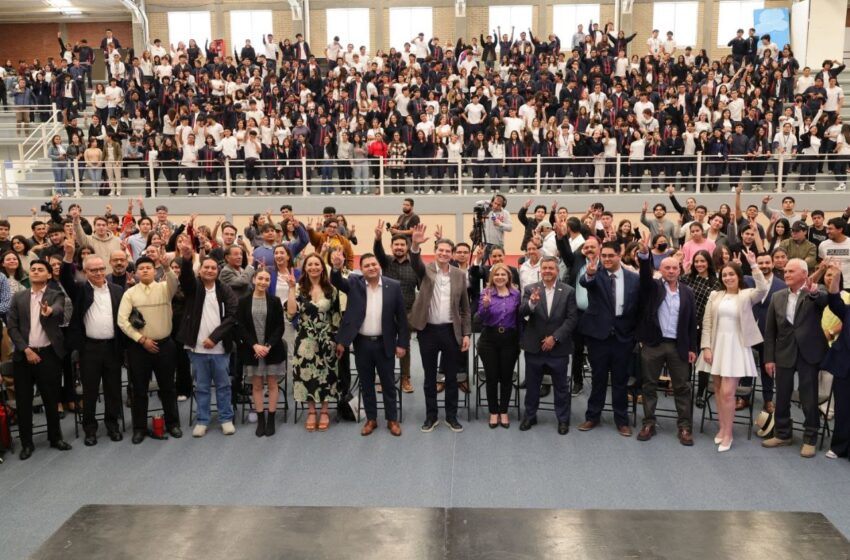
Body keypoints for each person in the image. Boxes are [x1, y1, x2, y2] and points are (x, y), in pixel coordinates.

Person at [330, 250, 409, 436]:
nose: (371, 268)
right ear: (361, 269)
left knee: (388, 384)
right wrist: (336, 268)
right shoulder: (354, 284)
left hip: (385, 343)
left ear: (379, 266)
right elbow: (336, 281)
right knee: (366, 384)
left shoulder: (393, 286)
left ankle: (392, 419)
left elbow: (402, 319)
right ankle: (371, 419)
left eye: (374, 264)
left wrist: (402, 344)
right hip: (362, 344)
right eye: (367, 266)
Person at [58, 233, 125, 446]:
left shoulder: (117, 290)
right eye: (92, 270)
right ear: (85, 272)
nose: (97, 273)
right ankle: (90, 428)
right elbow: (65, 278)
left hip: (113, 347)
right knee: (90, 391)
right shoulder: (80, 290)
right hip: (90, 349)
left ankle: (112, 424)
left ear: (105, 269)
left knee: (114, 389)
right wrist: (68, 255)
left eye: (100, 269)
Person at [698, 250, 766, 452]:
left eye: (731, 274)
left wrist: (754, 265)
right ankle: (722, 428)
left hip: (736, 348)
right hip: (716, 346)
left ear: (738, 277)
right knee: (718, 391)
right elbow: (707, 322)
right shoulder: (715, 295)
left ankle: (728, 434)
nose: (727, 278)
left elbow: (763, 289)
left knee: (728, 393)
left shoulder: (747, 295)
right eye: (724, 275)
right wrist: (706, 347)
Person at [6, 259, 72, 460]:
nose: (35, 271)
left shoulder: (55, 295)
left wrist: (50, 311)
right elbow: (12, 327)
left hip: (48, 355)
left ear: (48, 275)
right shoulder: (18, 297)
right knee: (24, 402)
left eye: (40, 269)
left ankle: (55, 438)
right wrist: (25, 350)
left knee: (51, 399)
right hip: (24, 356)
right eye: (32, 269)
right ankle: (27, 443)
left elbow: (60, 309)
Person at [409, 224, 471, 433]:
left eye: (447, 251)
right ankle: (431, 416)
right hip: (428, 331)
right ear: (435, 252)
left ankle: (451, 416)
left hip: (451, 332)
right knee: (429, 377)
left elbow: (465, 308)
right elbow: (415, 262)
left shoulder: (459, 275)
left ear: (452, 254)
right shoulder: (425, 270)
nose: (444, 254)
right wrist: (415, 244)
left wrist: (466, 334)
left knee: (452, 377)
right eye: (440, 250)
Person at [763, 258, 829, 458]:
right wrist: (769, 358)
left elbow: (825, 302)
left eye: (791, 271)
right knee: (782, 395)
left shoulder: (815, 293)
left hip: (809, 353)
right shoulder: (777, 296)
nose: (786, 274)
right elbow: (770, 331)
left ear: (804, 274)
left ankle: (810, 438)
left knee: (808, 397)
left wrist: (814, 292)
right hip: (783, 352)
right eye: (785, 271)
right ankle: (783, 433)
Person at [116, 255, 183, 444]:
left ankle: (172, 424)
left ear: (155, 271)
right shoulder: (130, 293)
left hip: (165, 346)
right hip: (140, 348)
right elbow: (122, 321)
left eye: (149, 267)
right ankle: (139, 428)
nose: (145, 270)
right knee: (139, 390)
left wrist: (167, 267)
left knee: (168, 388)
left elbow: (174, 282)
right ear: (136, 273)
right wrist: (141, 339)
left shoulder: (165, 288)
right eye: (141, 268)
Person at [636, 249, 698, 446]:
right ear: (660, 270)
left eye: (674, 268)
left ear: (680, 270)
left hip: (678, 346)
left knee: (682, 387)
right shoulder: (653, 287)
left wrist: (692, 348)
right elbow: (644, 277)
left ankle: (685, 427)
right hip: (654, 344)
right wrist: (644, 256)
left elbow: (691, 322)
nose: (671, 271)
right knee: (649, 386)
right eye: (667, 268)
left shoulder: (687, 292)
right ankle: (648, 423)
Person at [578, 241, 640, 436]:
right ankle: (592, 417)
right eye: (603, 255)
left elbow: (637, 307)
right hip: (599, 337)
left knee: (621, 380)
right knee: (598, 379)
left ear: (619, 255)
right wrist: (589, 273)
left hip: (623, 337)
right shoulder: (595, 275)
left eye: (610, 255)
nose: (606, 259)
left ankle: (621, 420)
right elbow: (584, 283)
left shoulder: (633, 278)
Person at [176, 244, 238, 437]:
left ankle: (226, 418)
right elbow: (185, 279)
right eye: (206, 267)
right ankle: (202, 420)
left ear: (218, 271)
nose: (210, 270)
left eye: (213, 268)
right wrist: (186, 261)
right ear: (200, 270)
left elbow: (232, 315)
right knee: (202, 387)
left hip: (219, 347)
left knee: (223, 385)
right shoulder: (193, 288)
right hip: (197, 349)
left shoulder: (225, 290)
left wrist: (214, 337)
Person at [518, 256, 578, 434]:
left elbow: (572, 318)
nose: (547, 271)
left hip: (559, 348)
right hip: (534, 347)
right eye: (544, 268)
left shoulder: (568, 291)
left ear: (557, 270)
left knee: (561, 387)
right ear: (540, 270)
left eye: (551, 268)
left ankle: (563, 419)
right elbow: (521, 312)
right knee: (532, 385)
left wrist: (555, 338)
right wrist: (532, 304)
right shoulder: (530, 289)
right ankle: (530, 416)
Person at [286, 253, 341, 432]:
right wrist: (291, 288)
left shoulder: (331, 290)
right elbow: (291, 313)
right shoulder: (299, 288)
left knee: (326, 375)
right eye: (310, 265)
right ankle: (311, 411)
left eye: (317, 264)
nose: (313, 267)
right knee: (306, 374)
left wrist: (337, 342)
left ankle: (324, 411)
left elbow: (336, 317)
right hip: (305, 340)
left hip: (326, 339)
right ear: (305, 268)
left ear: (322, 267)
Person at [237, 268, 287, 437]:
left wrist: (268, 346)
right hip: (252, 351)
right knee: (257, 386)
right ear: (254, 280)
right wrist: (255, 346)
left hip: (271, 350)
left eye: (267, 279)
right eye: (260, 278)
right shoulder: (243, 301)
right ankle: (260, 419)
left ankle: (271, 418)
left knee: (273, 385)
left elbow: (280, 326)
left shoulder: (275, 301)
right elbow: (241, 326)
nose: (263, 282)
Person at [374, 220, 417, 393]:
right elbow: (378, 252)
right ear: (391, 247)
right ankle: (386, 378)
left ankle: (405, 378)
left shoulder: (414, 264)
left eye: (402, 245)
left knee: (404, 345)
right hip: (387, 310)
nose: (399, 247)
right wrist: (378, 239)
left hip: (407, 312)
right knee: (386, 344)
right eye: (396, 245)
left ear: (407, 247)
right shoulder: (386, 262)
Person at [476, 262, 521, 429]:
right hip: (489, 340)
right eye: (497, 274)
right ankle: (493, 412)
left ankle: (504, 411)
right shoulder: (486, 293)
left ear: (508, 277)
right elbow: (481, 318)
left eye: (503, 274)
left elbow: (519, 318)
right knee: (492, 377)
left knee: (507, 378)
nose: (500, 277)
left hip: (510, 339)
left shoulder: (516, 294)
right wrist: (486, 306)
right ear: (492, 277)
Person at [821, 261, 850, 461]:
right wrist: (837, 276)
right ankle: (839, 447)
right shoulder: (847, 308)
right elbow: (833, 299)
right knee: (842, 408)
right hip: (844, 364)